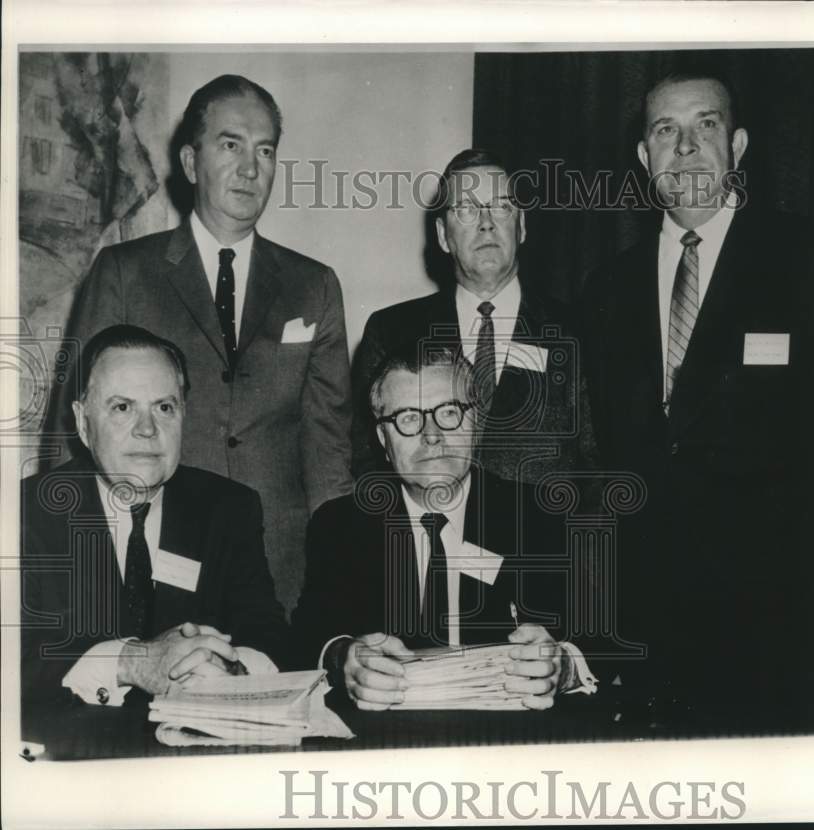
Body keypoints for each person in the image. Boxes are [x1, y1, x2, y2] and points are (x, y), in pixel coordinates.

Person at [581, 69, 814, 735]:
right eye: (666, 130)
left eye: (707, 125)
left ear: (741, 145)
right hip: (645, 625)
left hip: (777, 618)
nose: (686, 146)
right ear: (644, 157)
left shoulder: (810, 259)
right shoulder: (606, 289)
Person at [50, 75, 353, 613]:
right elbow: (71, 434)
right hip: (150, 556)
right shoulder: (125, 273)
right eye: (230, 145)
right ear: (191, 163)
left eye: (265, 150)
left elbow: (329, 450)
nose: (250, 167)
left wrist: (338, 572)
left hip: (282, 568)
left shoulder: (315, 284)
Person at [291, 345, 595, 711]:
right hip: (383, 741)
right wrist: (343, 661)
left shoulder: (538, 516)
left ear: (476, 423)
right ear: (384, 440)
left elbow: (598, 637)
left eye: (449, 412)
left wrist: (563, 668)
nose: (432, 435)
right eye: (408, 418)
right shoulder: (341, 525)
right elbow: (309, 638)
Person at [21, 325, 288, 708]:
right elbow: (14, 659)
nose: (147, 429)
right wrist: (131, 662)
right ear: (83, 423)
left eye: (164, 407)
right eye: (123, 407)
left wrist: (233, 670)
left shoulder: (228, 508)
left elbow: (269, 635)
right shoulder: (24, 515)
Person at [350, 148, 597, 488]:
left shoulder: (580, 330)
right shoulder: (392, 331)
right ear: (442, 236)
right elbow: (368, 461)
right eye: (466, 209)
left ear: (521, 226)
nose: (485, 222)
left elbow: (596, 466)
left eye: (501, 207)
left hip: (543, 537)